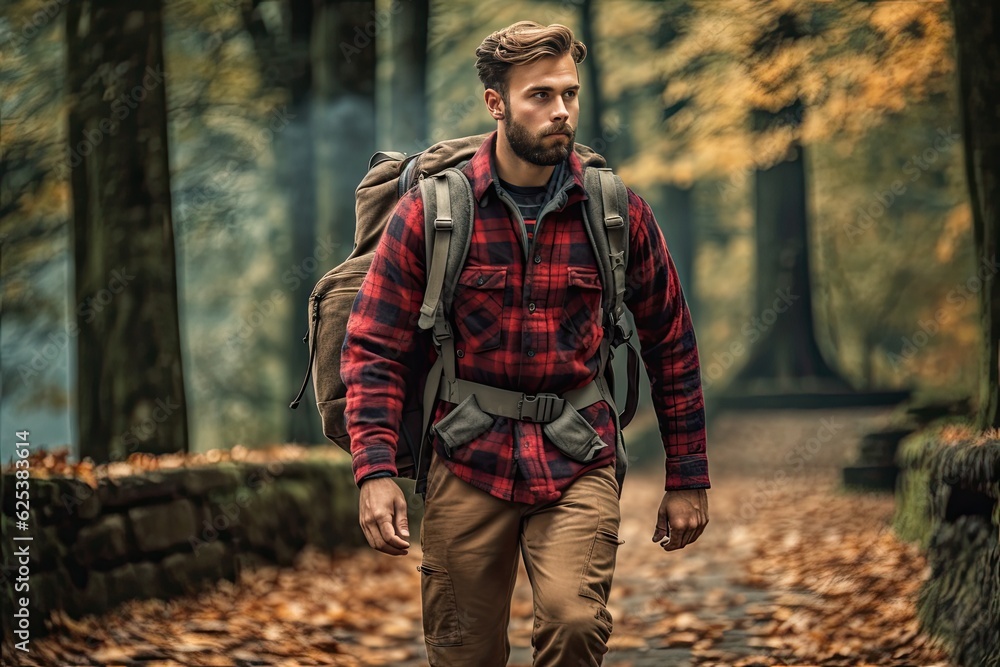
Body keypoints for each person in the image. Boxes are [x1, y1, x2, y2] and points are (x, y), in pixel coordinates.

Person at [341, 20, 711, 667]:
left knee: (573, 625)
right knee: (461, 651)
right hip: (464, 455)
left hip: (579, 452)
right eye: (540, 95)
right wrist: (375, 470)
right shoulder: (432, 214)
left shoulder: (615, 211)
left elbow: (671, 340)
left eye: (569, 93)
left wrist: (688, 475)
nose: (561, 110)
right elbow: (375, 347)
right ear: (497, 103)